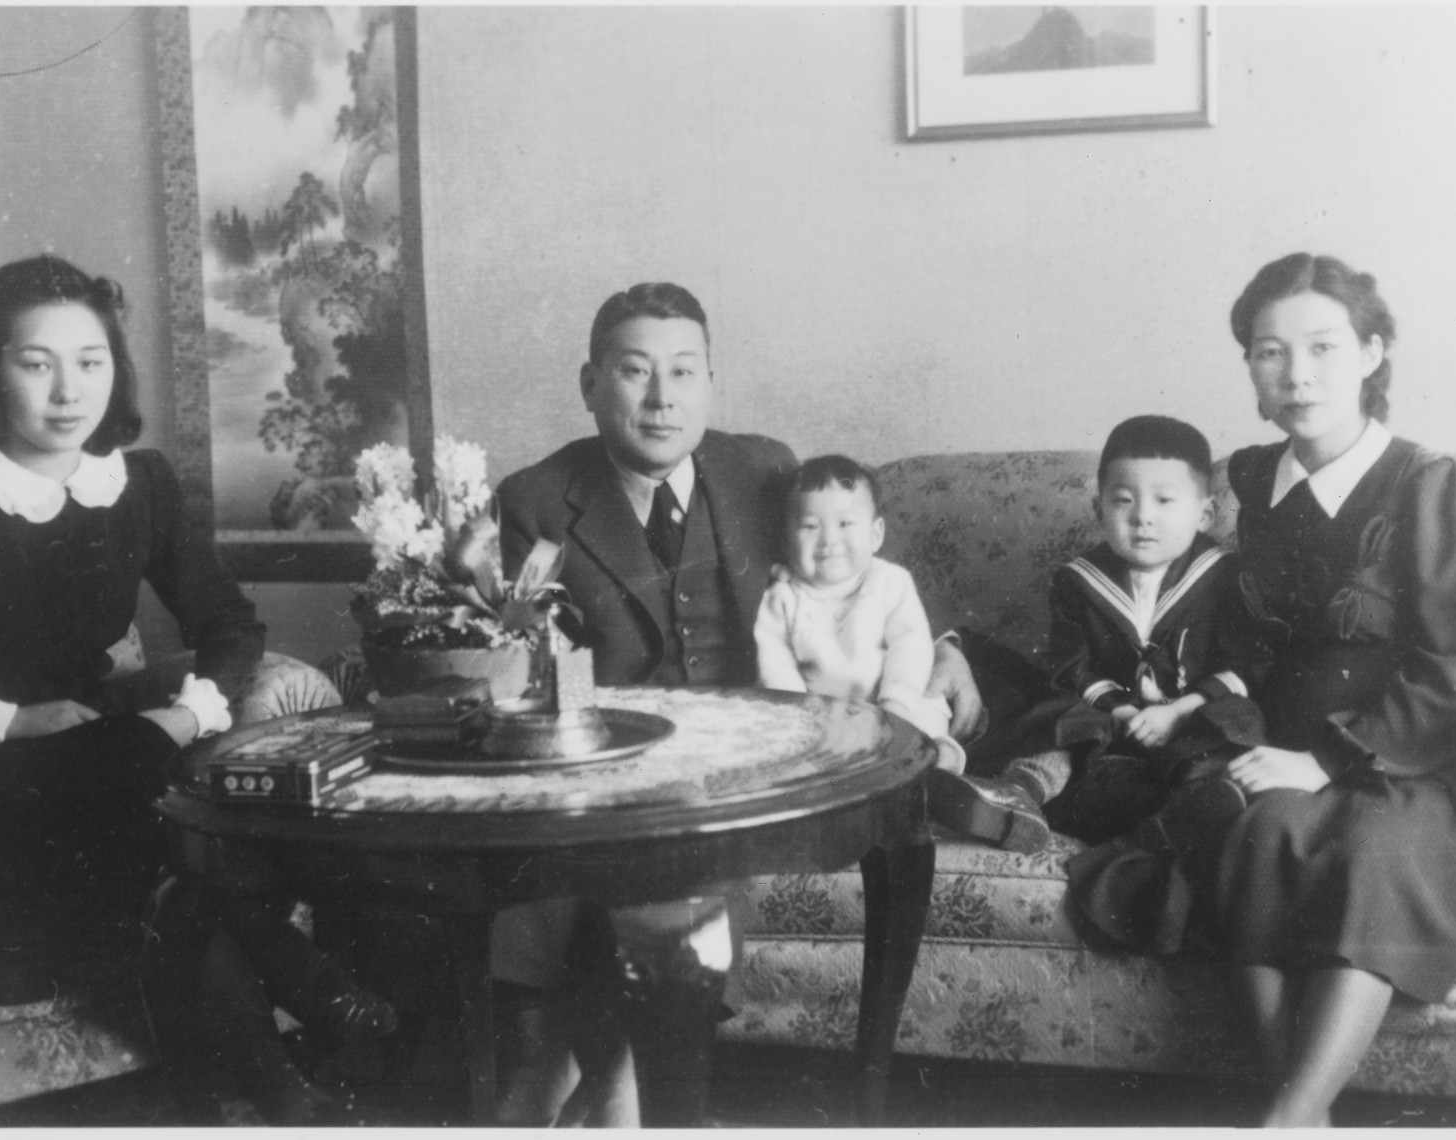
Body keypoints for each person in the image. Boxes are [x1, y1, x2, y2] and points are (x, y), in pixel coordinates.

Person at [0, 255, 395, 1124]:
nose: (66, 390)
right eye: (35, 362)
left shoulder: (140, 486)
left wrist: (192, 709)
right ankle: (323, 1010)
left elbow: (231, 625)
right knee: (157, 796)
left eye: (89, 360)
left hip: (117, 779)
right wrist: (11, 720)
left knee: (153, 813)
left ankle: (279, 1101)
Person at [492, 283, 985, 1125]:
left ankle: (596, 1088)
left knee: (698, 855)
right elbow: (513, 661)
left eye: (684, 372)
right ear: (589, 383)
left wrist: (946, 647)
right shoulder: (537, 500)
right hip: (620, 767)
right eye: (635, 372)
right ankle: (604, 1085)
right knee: (632, 864)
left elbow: (859, 570)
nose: (662, 398)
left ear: (710, 383)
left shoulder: (759, 469)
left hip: (755, 760)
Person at [1205, 253, 1456, 1126]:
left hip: (1408, 759)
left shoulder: (1430, 483)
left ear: (1373, 354)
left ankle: (1288, 1119)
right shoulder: (1254, 480)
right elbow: (1242, 638)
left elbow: (1454, 665)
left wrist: (1326, 758)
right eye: (1270, 352)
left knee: (1376, 846)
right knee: (1257, 836)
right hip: (1283, 754)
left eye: (1324, 348)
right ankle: (1302, 1112)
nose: (1296, 375)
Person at [943, 415, 1264, 866]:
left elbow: (1245, 665)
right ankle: (1026, 796)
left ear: (1205, 512)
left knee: (1230, 731)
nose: (1142, 517)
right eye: (1123, 500)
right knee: (1062, 725)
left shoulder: (1225, 577)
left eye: (1165, 500)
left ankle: (1189, 809)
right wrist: (1120, 711)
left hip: (1190, 721)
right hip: (1112, 727)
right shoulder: (1078, 582)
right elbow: (1072, 668)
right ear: (1098, 510)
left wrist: (1177, 712)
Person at [753, 453, 967, 773]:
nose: (829, 539)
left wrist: (894, 705)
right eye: (810, 526)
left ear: (876, 534)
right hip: (824, 711)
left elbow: (911, 645)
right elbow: (775, 664)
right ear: (787, 539)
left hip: (895, 697)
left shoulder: (890, 582)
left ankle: (936, 759)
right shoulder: (782, 597)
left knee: (924, 714)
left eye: (845, 523)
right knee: (784, 739)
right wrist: (801, 719)